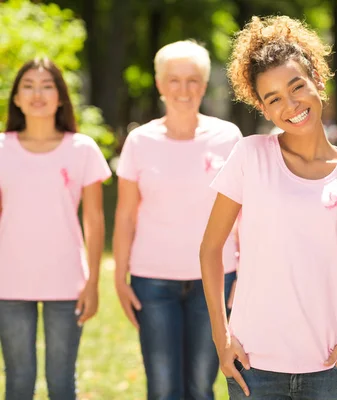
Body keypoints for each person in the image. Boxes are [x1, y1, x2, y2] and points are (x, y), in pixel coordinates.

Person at [200, 15, 337, 400]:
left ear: (318, 81)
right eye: (274, 99)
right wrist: (222, 338)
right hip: (253, 368)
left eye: (297, 87)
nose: (291, 105)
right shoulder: (249, 156)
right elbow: (210, 250)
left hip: (329, 371)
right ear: (263, 108)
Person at [113, 40, 242, 400]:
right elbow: (125, 215)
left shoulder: (229, 137)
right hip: (152, 282)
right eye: (173, 80)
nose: (183, 89)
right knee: (163, 388)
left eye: (192, 80)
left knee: (202, 387)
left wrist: (243, 269)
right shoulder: (139, 141)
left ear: (204, 85)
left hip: (215, 279)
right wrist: (119, 275)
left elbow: (245, 212)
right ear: (159, 84)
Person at [0, 58, 111, 400]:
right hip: (9, 281)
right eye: (28, 86)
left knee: (62, 382)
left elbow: (94, 221)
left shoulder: (82, 149)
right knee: (18, 381)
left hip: (67, 283)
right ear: (16, 98)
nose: (37, 93)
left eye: (47, 85)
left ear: (61, 97)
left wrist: (92, 282)